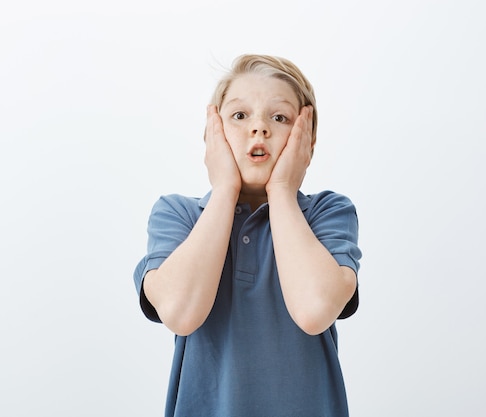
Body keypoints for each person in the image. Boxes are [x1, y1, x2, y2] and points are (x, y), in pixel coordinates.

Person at [133, 54, 362, 417]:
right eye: (240, 116)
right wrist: (224, 188)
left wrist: (283, 189)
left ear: (307, 140)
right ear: (213, 132)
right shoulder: (178, 215)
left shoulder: (327, 214)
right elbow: (180, 313)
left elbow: (314, 311)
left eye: (280, 117)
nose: (259, 129)